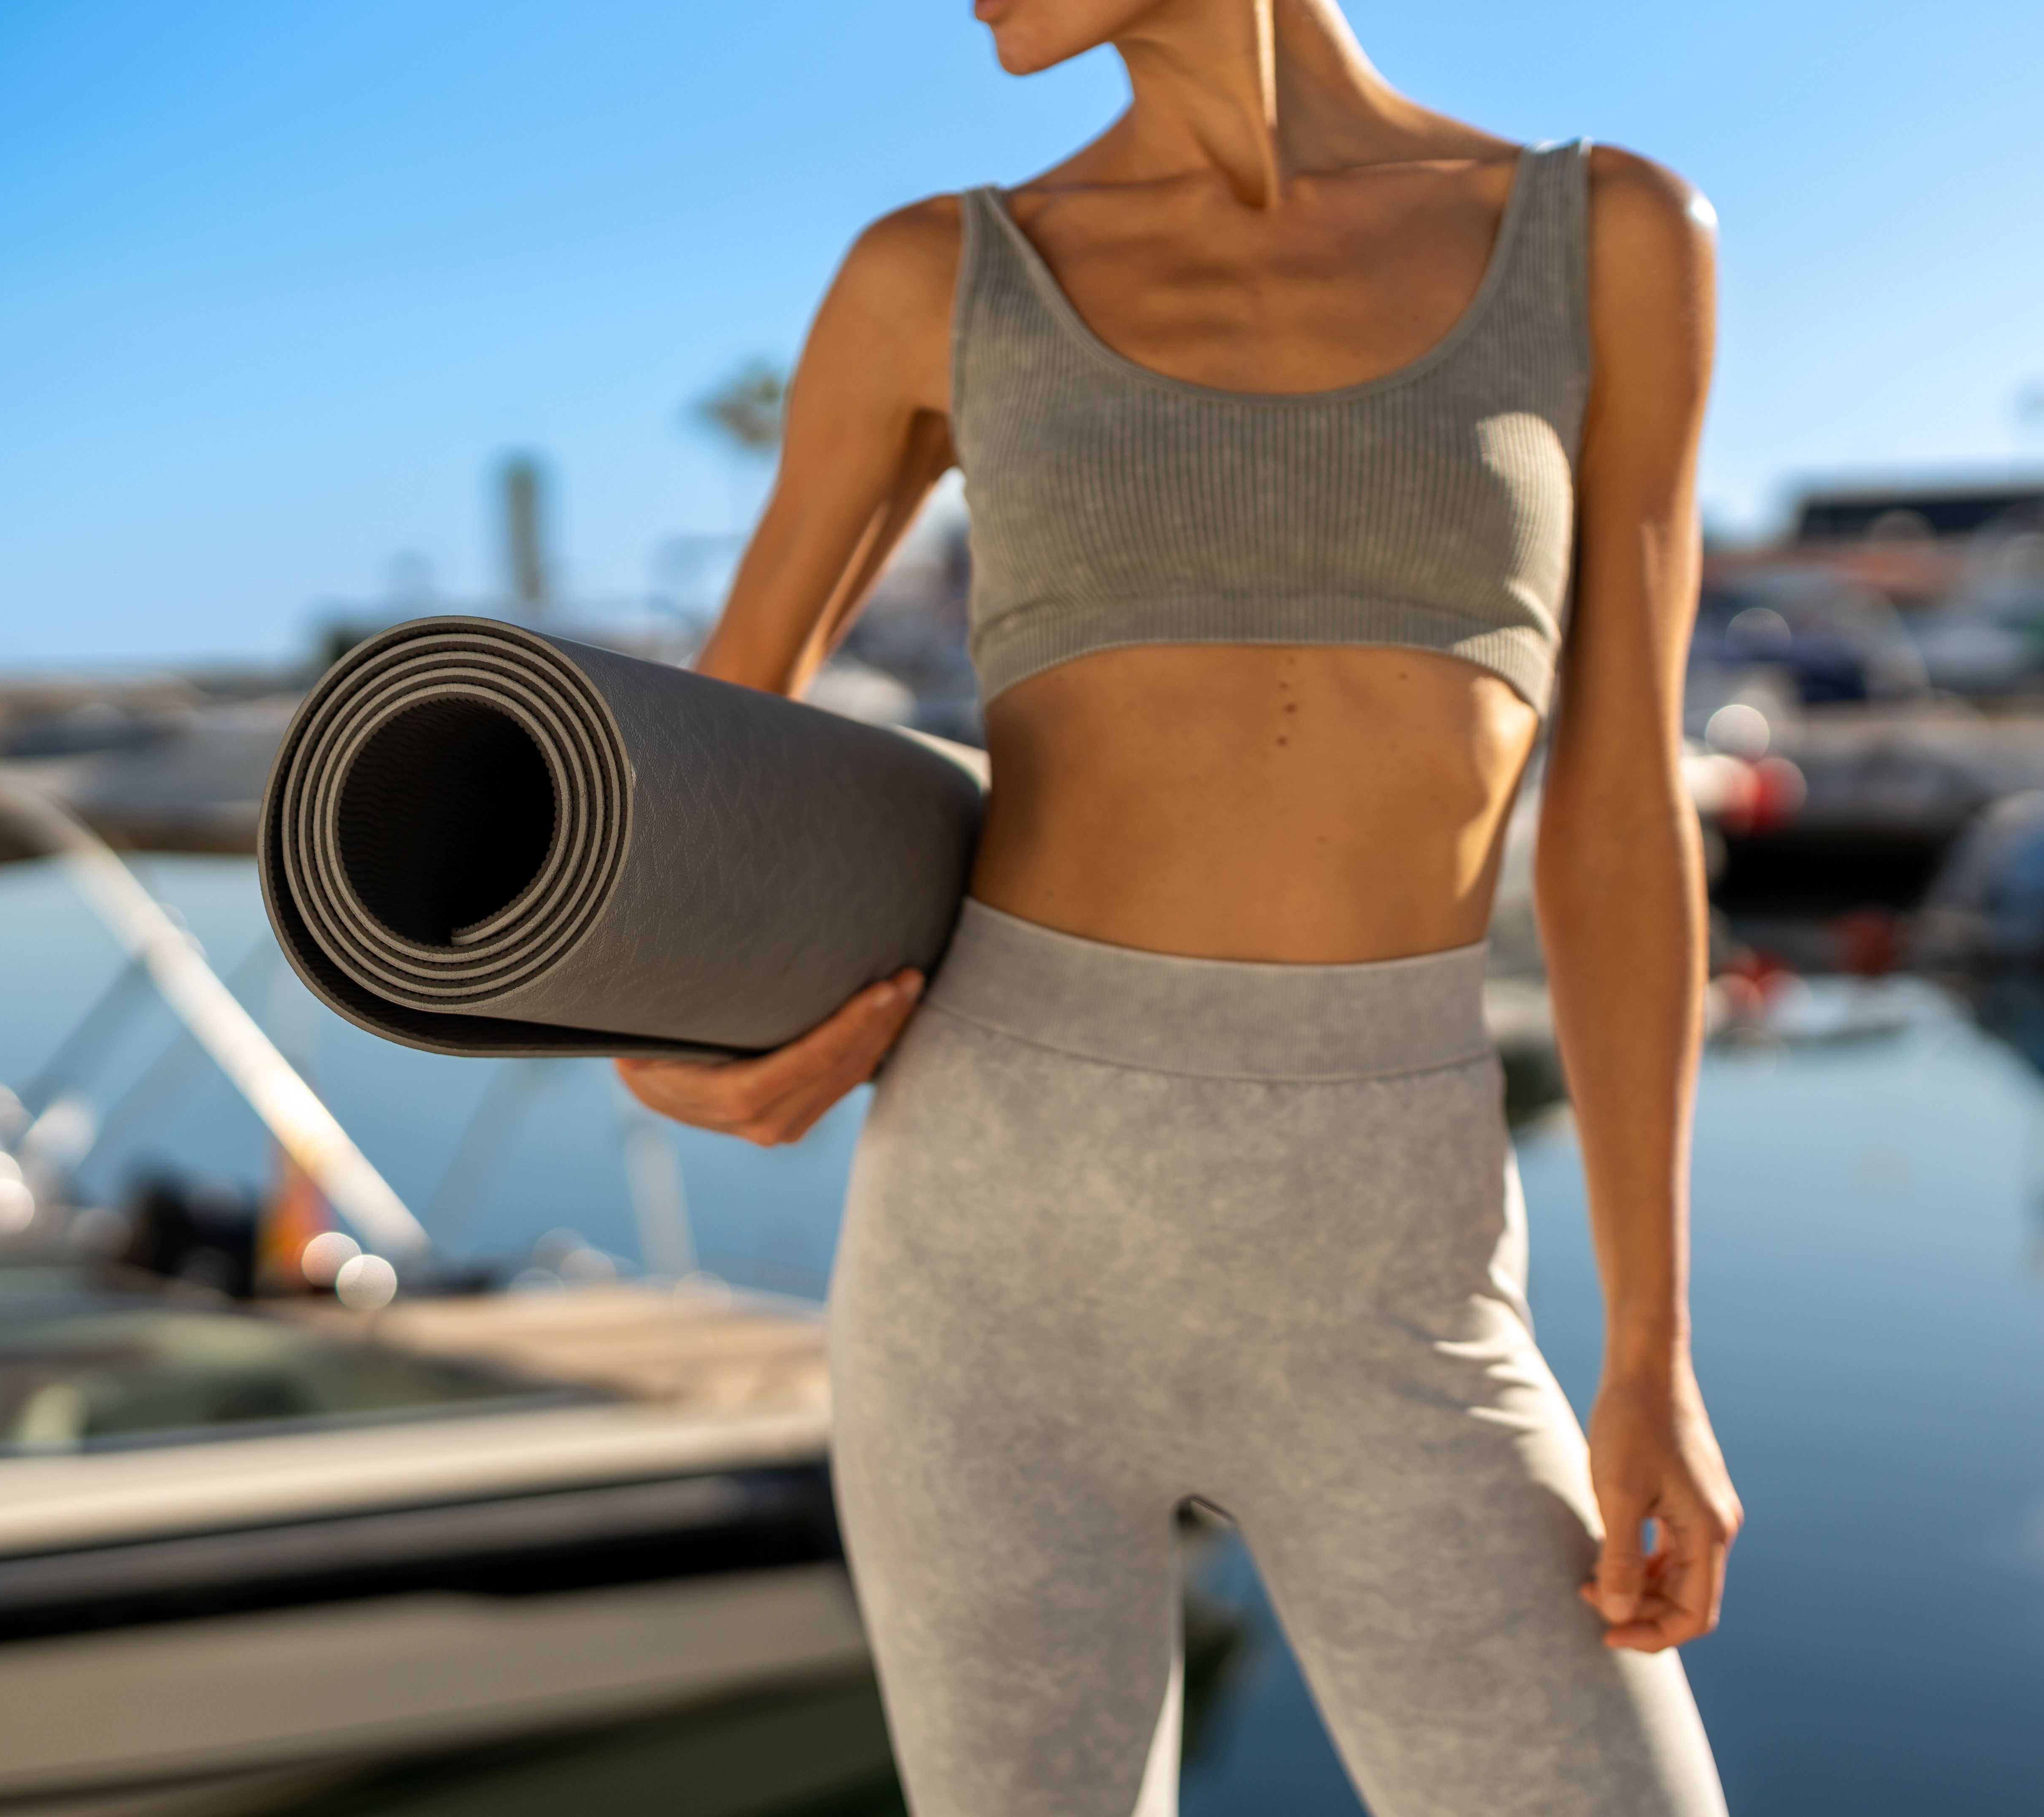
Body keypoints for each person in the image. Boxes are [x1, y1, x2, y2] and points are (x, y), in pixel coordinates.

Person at [618, 1, 1737, 1810]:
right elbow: (699, 771)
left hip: (1400, 1261)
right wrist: (661, 1043)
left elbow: (1615, 821)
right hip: (986, 1260)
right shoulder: (937, 276)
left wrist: (1654, 1348)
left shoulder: (1606, 236)